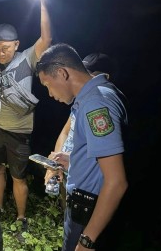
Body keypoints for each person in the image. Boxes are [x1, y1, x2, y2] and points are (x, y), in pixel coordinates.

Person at [36, 43, 128, 251]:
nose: (50, 94)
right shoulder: (94, 96)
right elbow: (102, 158)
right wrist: (73, 161)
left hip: (90, 211)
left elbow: (116, 182)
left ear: (62, 73)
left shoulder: (96, 104)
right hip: (84, 205)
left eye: (48, 85)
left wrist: (87, 240)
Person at [0, 0, 52, 229]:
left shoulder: (27, 59)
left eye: (6, 47)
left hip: (19, 132)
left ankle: (21, 217)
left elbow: (47, 39)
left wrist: (43, 1)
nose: (1, 52)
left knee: (18, 176)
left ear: (16, 45)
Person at [47, 52, 117, 210]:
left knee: (81, 219)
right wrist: (55, 163)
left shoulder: (100, 106)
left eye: (89, 75)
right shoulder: (80, 102)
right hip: (66, 170)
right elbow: (65, 132)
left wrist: (73, 161)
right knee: (68, 210)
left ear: (104, 77)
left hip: (84, 181)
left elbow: (108, 168)